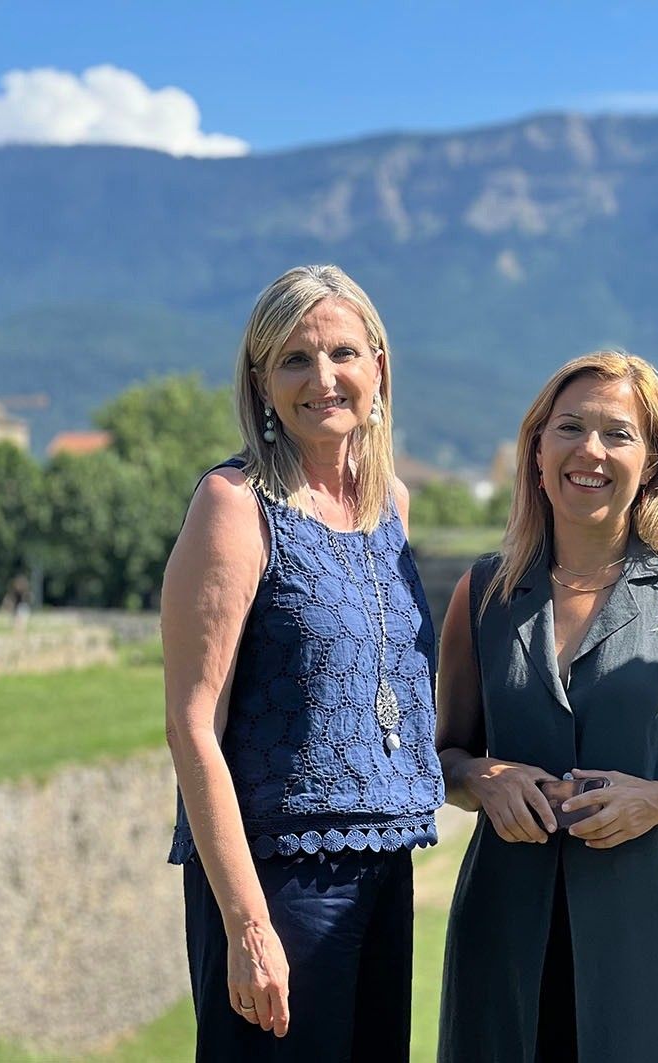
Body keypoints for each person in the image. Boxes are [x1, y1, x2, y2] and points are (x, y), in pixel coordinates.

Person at [435, 350, 658, 1062]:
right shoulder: (482, 593)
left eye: (617, 433)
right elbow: (445, 756)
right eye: (570, 428)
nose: (590, 450)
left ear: (651, 461)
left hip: (654, 942)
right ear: (537, 449)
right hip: (504, 938)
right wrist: (483, 779)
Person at [162, 265, 444, 1061]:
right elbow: (192, 725)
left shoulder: (390, 502)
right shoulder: (234, 504)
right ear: (260, 383)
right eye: (294, 359)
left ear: (378, 368)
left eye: (343, 353)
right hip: (278, 883)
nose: (323, 378)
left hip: (385, 869)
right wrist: (249, 924)